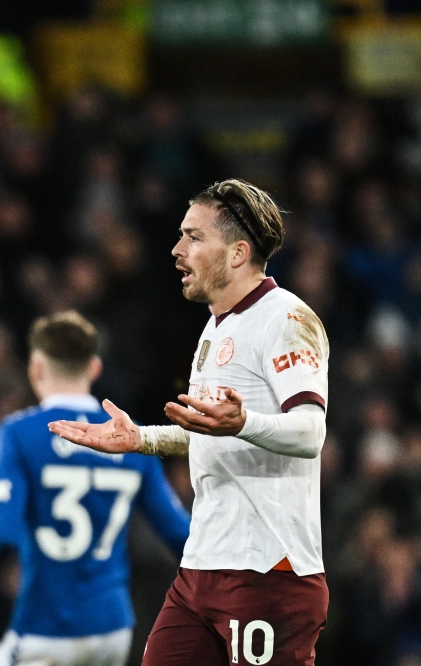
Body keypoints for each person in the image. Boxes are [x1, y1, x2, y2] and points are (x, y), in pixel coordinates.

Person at [49, 179, 330, 666]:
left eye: (194, 237)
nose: (178, 249)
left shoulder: (285, 319)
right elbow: (214, 432)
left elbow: (310, 432)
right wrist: (141, 438)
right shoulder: (216, 325)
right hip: (201, 567)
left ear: (239, 252)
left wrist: (243, 424)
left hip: (268, 571)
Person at [0, 311, 191, 666]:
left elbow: (1, 528)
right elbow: (180, 534)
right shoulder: (131, 437)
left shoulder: (18, 434)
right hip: (113, 630)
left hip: (48, 628)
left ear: (36, 368)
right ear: (95, 368)